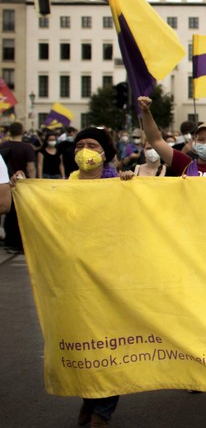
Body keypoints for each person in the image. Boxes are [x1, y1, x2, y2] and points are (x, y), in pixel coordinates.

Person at [12, 127, 132, 427]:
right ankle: (89, 397)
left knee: (110, 343)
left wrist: (131, 186)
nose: (85, 150)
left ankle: (101, 413)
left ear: (106, 152)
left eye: (92, 145)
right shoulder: (68, 184)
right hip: (75, 277)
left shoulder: (117, 182)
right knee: (85, 339)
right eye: (80, 145)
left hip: (111, 276)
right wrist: (24, 188)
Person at [137, 97, 206, 177]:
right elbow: (156, 141)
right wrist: (146, 112)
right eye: (201, 140)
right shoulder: (184, 164)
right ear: (194, 142)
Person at [0, 121, 36, 253]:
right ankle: (20, 243)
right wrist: (33, 183)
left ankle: (10, 241)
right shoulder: (27, 147)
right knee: (21, 214)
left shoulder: (3, 145)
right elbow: (30, 167)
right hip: (22, 184)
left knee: (8, 213)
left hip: (6, 183)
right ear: (21, 131)